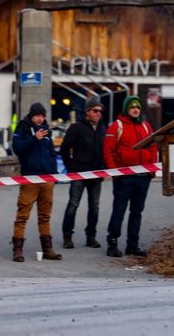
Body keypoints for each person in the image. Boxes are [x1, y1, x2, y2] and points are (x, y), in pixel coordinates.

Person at [103, 96, 159, 257]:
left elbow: (153, 148)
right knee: (119, 210)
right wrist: (115, 173)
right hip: (124, 177)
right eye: (132, 107)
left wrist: (151, 171)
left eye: (138, 107)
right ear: (126, 109)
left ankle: (132, 245)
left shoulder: (146, 126)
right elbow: (108, 150)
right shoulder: (117, 126)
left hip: (143, 177)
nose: (135, 110)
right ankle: (112, 243)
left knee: (137, 212)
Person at [11, 102, 62, 262]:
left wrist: (54, 176)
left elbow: (52, 154)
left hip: (47, 180)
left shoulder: (47, 130)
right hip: (30, 179)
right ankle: (17, 250)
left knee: (45, 216)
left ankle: (48, 249)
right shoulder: (22, 128)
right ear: (31, 116)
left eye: (42, 115)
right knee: (22, 216)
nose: (40, 119)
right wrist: (34, 138)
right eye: (37, 115)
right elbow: (17, 149)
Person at [60, 97, 107, 249]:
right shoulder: (76, 127)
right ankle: (67, 236)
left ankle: (91, 237)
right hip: (79, 172)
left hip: (96, 173)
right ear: (87, 112)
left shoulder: (103, 128)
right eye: (95, 110)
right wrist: (70, 167)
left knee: (95, 206)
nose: (98, 113)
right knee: (73, 204)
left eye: (100, 111)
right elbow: (64, 148)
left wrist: (104, 166)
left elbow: (106, 150)